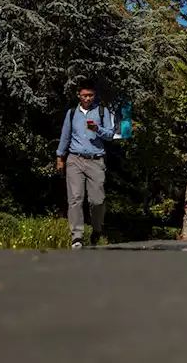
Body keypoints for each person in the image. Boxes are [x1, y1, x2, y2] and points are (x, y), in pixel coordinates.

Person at [56, 80, 116, 249]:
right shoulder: (72, 113)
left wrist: (98, 129)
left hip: (96, 160)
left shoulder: (102, 112)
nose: (87, 99)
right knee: (75, 198)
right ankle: (77, 236)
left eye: (90, 95)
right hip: (75, 159)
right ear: (79, 96)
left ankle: (97, 229)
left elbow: (110, 135)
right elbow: (65, 136)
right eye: (84, 95)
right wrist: (60, 157)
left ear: (94, 95)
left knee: (97, 200)